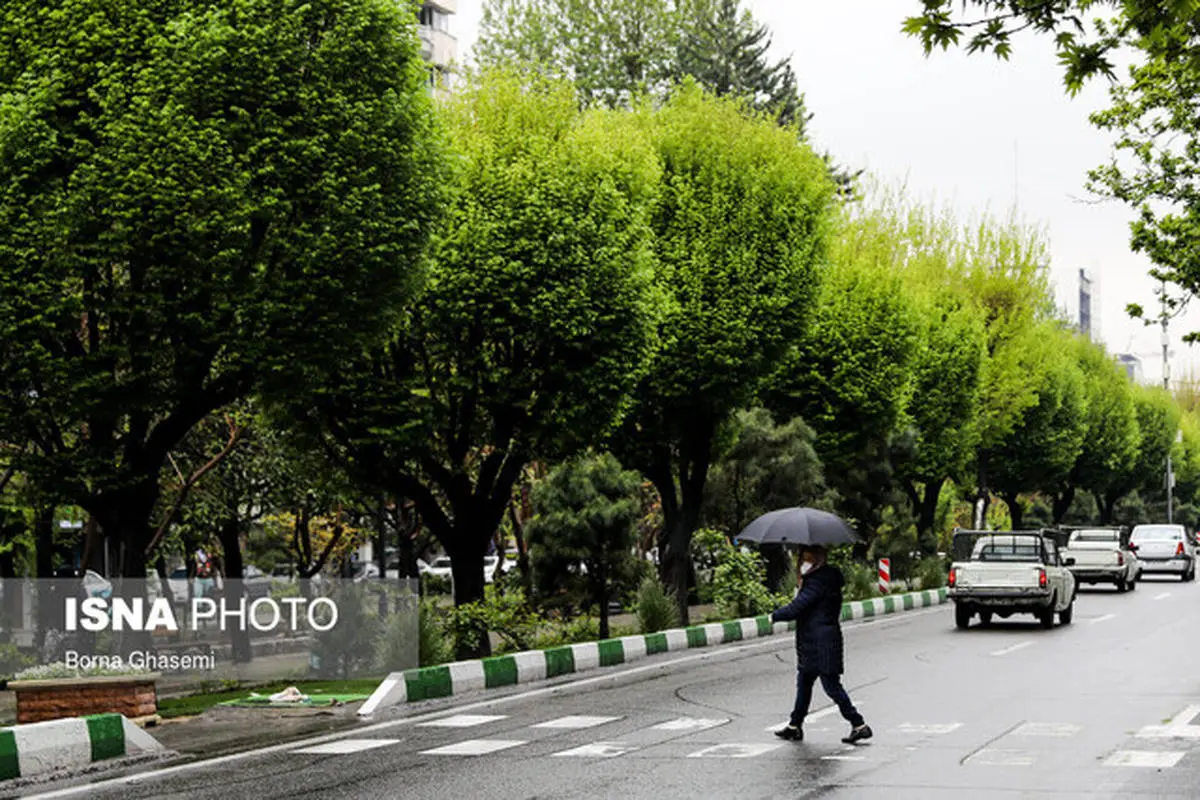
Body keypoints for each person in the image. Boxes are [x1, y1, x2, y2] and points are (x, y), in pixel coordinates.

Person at [769, 545, 872, 745]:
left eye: (804, 557)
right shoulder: (822, 579)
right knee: (804, 684)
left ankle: (859, 725)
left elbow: (799, 607)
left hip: (821, 642)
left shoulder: (818, 581)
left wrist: (774, 616)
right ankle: (794, 726)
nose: (801, 562)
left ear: (816, 558)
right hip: (815, 641)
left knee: (831, 686)